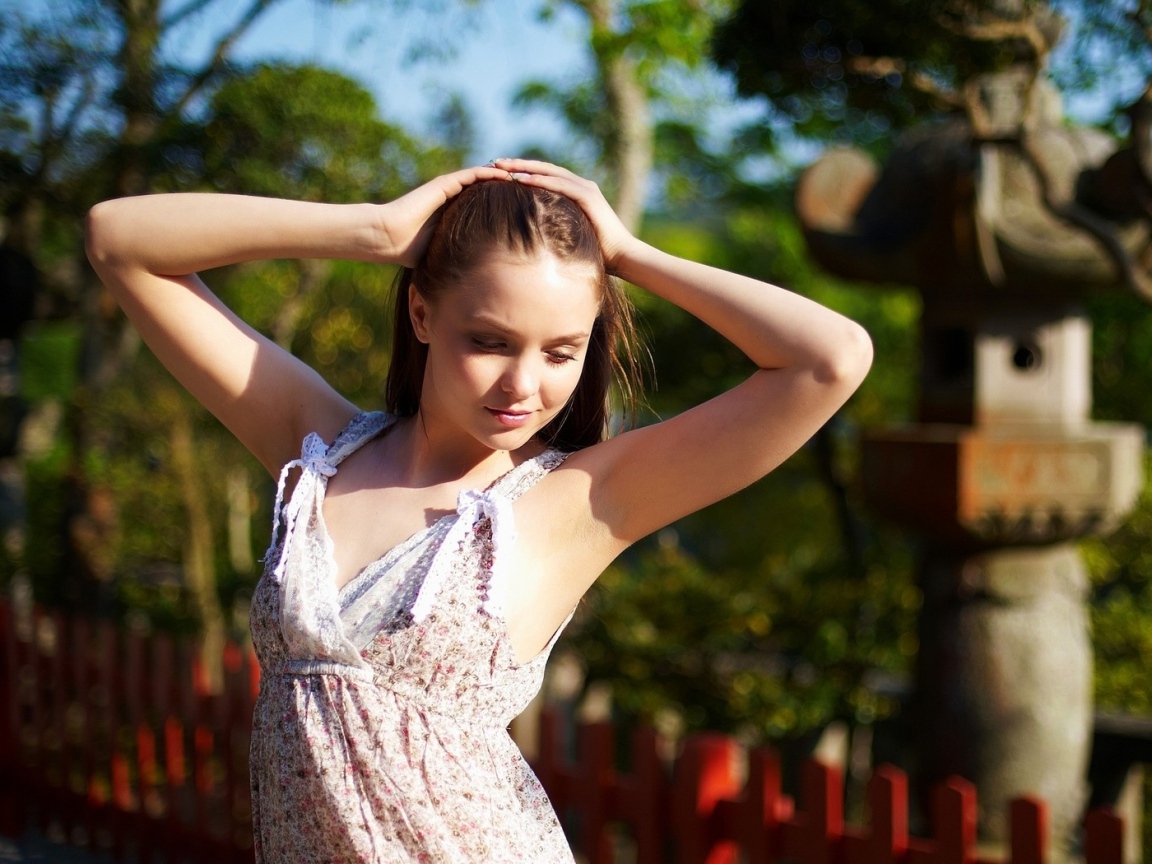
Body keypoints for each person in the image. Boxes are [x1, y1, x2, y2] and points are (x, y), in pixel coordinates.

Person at [85, 159, 873, 863]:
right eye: (490, 341)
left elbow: (831, 359)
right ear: (422, 314)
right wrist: (376, 231)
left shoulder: (579, 500)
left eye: (561, 352)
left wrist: (629, 255)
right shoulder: (319, 449)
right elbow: (119, 240)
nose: (523, 385)